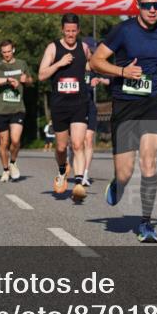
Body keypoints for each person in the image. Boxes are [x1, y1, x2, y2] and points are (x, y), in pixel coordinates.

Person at [90, 0, 157, 243]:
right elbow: (95, 61)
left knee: (149, 161)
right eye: (147, 5)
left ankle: (145, 223)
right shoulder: (123, 31)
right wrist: (122, 72)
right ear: (138, 6)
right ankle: (118, 184)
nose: (152, 10)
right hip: (125, 106)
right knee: (125, 173)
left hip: (153, 103)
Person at [38, 14, 94, 201]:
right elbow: (41, 75)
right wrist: (59, 63)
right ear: (62, 30)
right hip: (60, 104)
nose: (70, 34)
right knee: (61, 147)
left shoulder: (84, 48)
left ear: (78, 30)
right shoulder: (53, 48)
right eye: (67, 31)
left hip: (79, 103)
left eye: (73, 31)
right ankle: (62, 170)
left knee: (78, 144)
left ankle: (78, 184)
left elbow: (93, 64)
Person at [0, 40, 32, 183]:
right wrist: (7, 80)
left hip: (18, 108)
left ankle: (13, 162)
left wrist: (26, 79)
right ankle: (5, 169)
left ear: (13, 50)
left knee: (15, 140)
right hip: (1, 110)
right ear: (1, 52)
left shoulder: (21, 64)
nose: (7, 54)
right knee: (4, 142)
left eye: (9, 51)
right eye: (4, 52)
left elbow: (30, 81)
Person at [82, 37, 109, 186]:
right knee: (75, 143)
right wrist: (87, 85)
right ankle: (70, 161)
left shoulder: (96, 67)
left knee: (89, 139)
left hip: (90, 107)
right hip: (74, 107)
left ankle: (85, 174)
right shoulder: (75, 66)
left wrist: (102, 80)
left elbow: (110, 79)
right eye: (91, 51)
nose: (93, 54)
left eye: (95, 51)